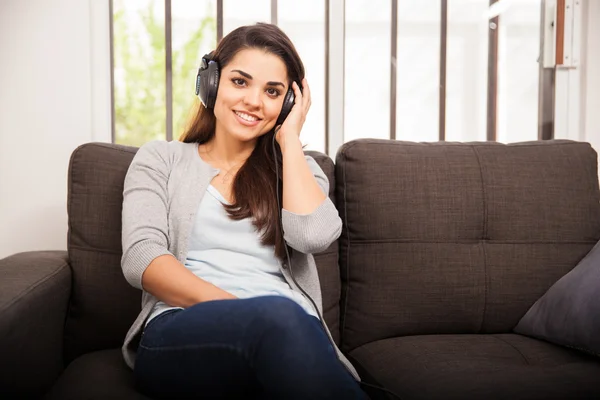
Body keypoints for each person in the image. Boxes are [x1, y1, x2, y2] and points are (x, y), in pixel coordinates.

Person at [120, 23, 366, 399]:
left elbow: (312, 236)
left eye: (273, 92)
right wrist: (251, 313)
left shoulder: (298, 168)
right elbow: (142, 259)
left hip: (290, 330)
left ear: (288, 104)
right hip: (186, 325)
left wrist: (290, 140)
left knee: (285, 328)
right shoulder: (161, 159)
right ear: (211, 83)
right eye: (240, 82)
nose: (254, 101)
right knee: (281, 321)